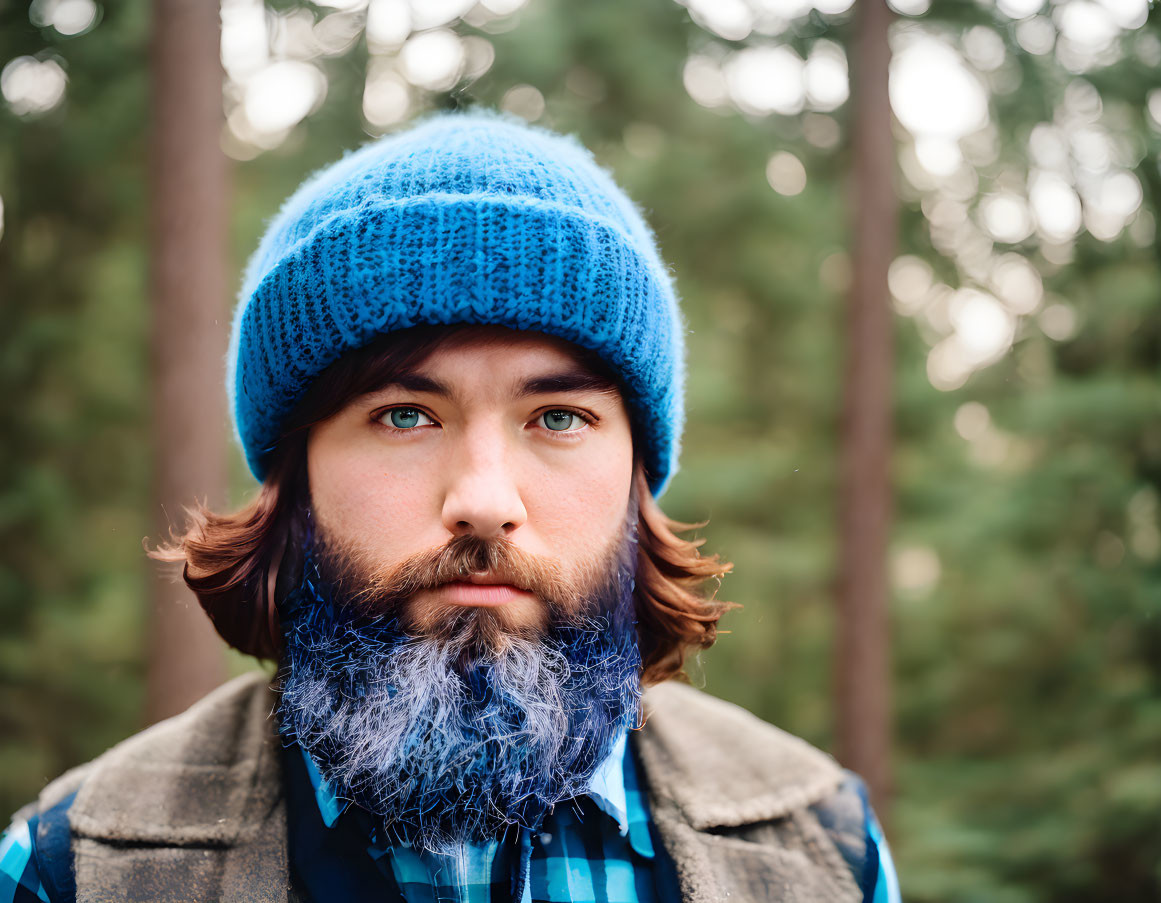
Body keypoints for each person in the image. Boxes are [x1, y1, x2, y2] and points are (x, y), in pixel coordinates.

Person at [0, 108, 901, 903]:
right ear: (295, 477)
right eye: (403, 415)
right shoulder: (74, 866)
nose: (481, 501)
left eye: (557, 416)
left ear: (636, 474)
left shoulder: (824, 847)